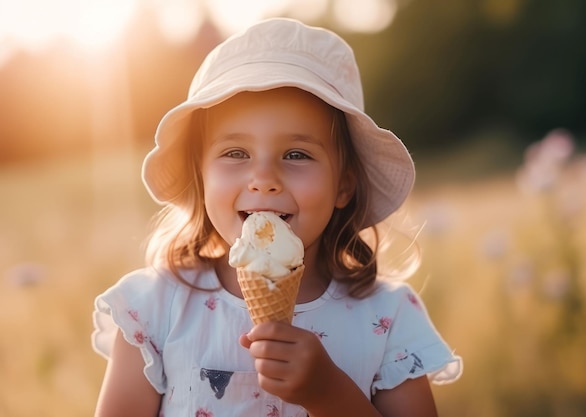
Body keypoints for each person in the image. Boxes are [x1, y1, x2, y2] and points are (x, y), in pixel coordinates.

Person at [92, 17, 462, 417]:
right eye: (235, 153)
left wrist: (331, 395)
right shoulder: (154, 310)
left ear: (344, 185)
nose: (264, 180)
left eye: (296, 154)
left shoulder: (388, 319)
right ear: (200, 177)